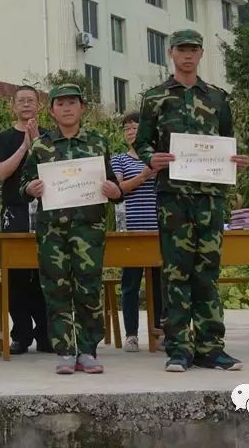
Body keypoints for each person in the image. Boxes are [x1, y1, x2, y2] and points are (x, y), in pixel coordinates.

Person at [135, 29, 249, 373]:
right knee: (175, 272)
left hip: (211, 197)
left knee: (207, 273)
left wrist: (235, 160)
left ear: (201, 54)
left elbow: (227, 141)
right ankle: (179, 349)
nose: (187, 56)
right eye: (181, 50)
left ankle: (211, 347)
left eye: (193, 50)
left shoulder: (217, 97)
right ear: (171, 53)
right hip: (173, 197)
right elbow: (143, 142)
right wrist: (150, 158)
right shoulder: (156, 97)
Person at [21, 84, 123, 374]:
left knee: (89, 289)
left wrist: (114, 190)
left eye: (72, 103)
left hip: (89, 229)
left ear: (82, 108)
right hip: (52, 231)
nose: (67, 108)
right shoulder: (41, 146)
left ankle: (88, 349)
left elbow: (113, 182)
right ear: (51, 110)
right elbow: (23, 186)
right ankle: (65, 350)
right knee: (56, 289)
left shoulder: (97, 142)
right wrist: (30, 187)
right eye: (60, 103)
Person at [0, 85, 50, 355]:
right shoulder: (4, 138)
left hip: (46, 210)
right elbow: (1, 173)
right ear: (13, 107)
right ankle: (21, 335)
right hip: (15, 210)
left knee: (45, 273)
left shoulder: (51, 136)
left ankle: (47, 334)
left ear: (39, 105)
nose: (26, 104)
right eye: (21, 101)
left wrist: (38, 143)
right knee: (16, 276)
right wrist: (25, 145)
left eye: (31, 100)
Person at [111, 112, 163, 353]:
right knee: (130, 284)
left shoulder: (158, 159)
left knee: (159, 284)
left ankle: (160, 332)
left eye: (135, 127)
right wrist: (143, 176)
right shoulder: (120, 160)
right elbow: (118, 188)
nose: (130, 132)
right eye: (127, 129)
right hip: (131, 230)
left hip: (158, 230)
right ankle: (131, 334)